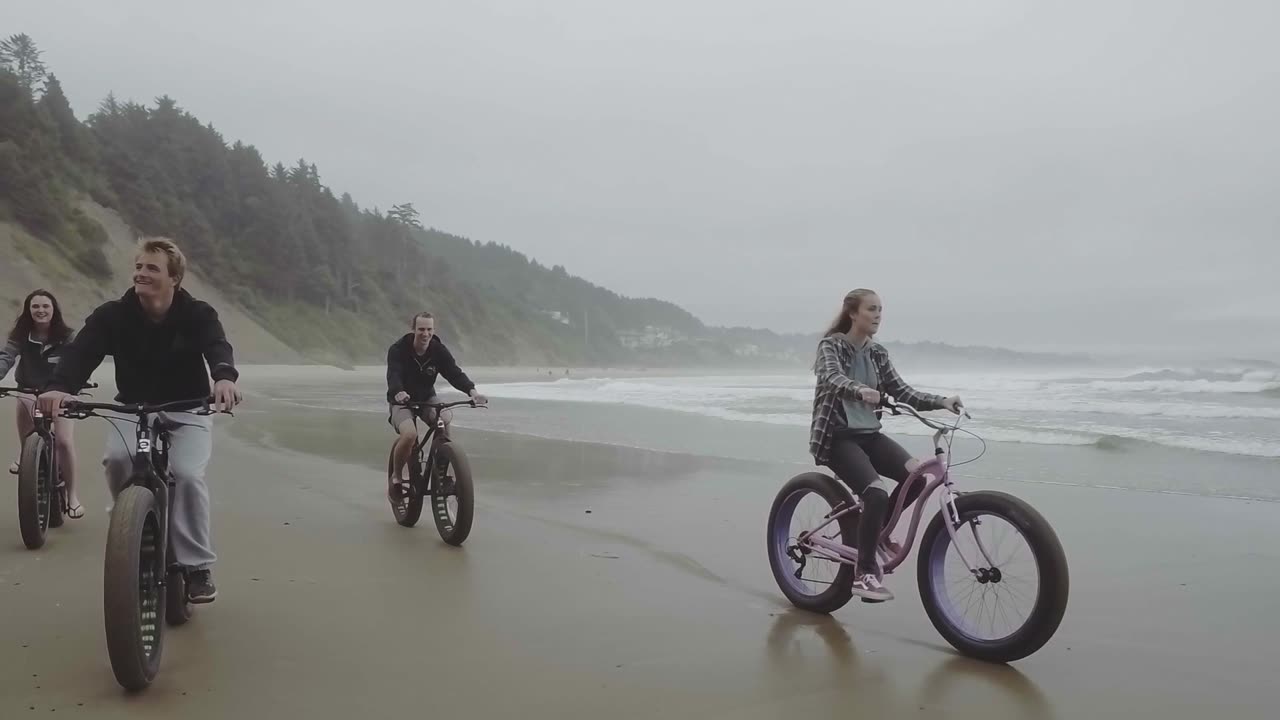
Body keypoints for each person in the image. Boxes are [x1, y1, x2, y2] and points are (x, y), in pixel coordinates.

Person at [39, 237, 242, 604]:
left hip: (189, 408)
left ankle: (197, 567)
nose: (141, 273)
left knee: (187, 474)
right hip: (134, 408)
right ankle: (128, 524)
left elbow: (217, 346)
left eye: (151, 268)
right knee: (118, 459)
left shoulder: (197, 313)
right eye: (138, 266)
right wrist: (59, 386)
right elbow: (81, 351)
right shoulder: (113, 315)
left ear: (174, 278)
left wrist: (224, 377)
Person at [809, 288, 962, 602]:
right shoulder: (831, 346)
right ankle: (863, 574)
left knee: (916, 478)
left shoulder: (877, 354)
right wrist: (858, 390)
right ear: (853, 313)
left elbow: (903, 392)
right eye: (871, 309)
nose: (878, 315)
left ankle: (877, 534)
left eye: (880, 310)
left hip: (869, 434)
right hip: (838, 437)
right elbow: (831, 378)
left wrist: (942, 401)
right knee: (876, 492)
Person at [0, 290, 84, 517]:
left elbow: (76, 362)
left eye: (45, 306)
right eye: (35, 306)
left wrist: (74, 387)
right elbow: (6, 357)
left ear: (54, 309)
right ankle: (26, 451)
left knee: (65, 442)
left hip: (60, 392)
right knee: (24, 399)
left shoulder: (66, 336)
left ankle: (72, 495)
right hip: (29, 389)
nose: (40, 311)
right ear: (28, 311)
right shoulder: (20, 335)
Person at [386, 312, 486, 498]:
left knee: (444, 418)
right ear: (413, 329)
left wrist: (472, 392)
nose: (425, 334)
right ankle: (397, 478)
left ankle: (442, 471)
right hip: (401, 400)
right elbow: (394, 374)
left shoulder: (438, 350)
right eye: (421, 329)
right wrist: (398, 391)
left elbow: (454, 373)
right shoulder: (398, 349)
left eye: (429, 329)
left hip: (426, 398)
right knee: (409, 435)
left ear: (434, 330)